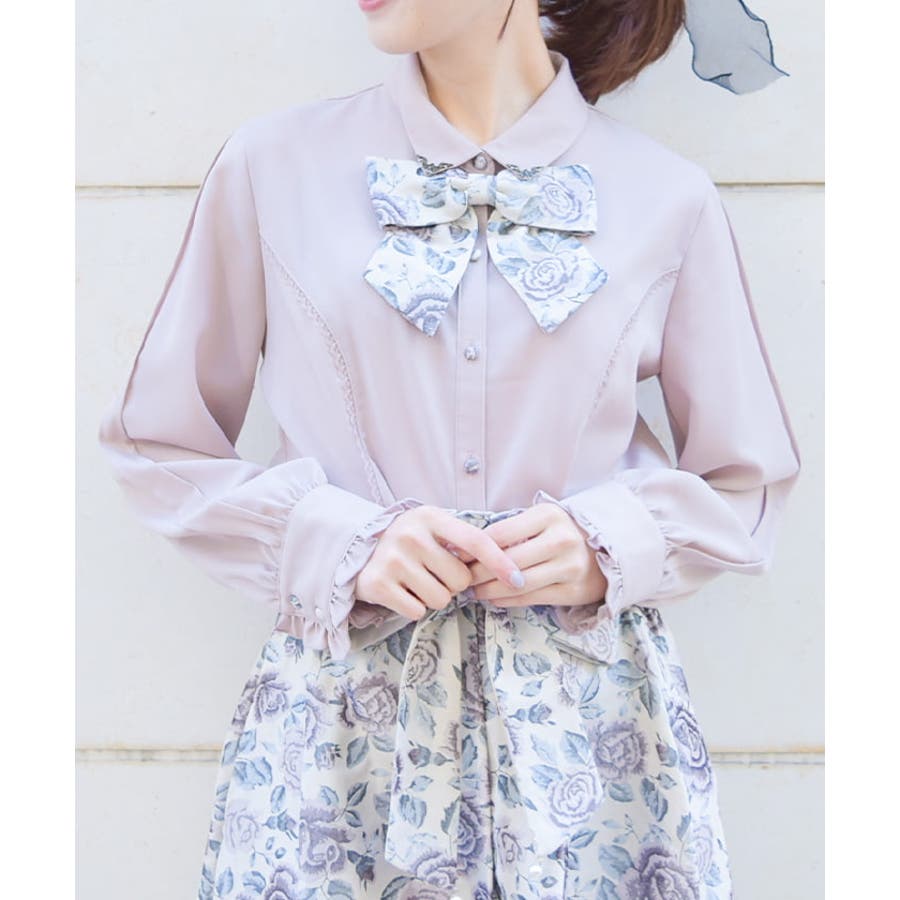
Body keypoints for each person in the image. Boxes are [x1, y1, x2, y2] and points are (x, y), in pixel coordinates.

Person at [96, 1, 801, 897]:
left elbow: (747, 480)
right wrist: (336, 540)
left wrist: (608, 542)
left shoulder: (668, 196)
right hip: (341, 736)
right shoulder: (272, 168)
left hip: (588, 744)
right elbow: (158, 441)